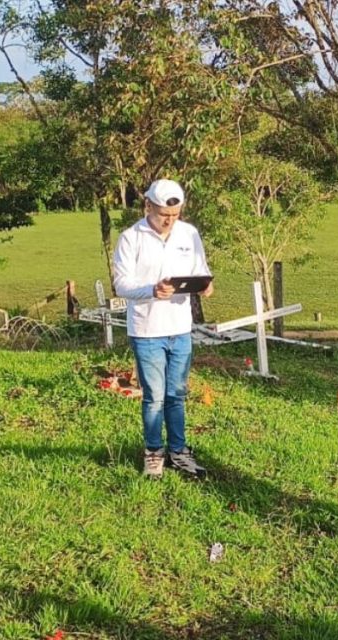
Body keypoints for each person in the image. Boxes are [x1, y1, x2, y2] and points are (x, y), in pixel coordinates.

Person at [113, 179, 213, 479]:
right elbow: (121, 284)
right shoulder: (131, 237)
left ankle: (179, 452)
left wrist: (205, 285)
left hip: (180, 327)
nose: (169, 219)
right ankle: (153, 453)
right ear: (148, 206)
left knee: (177, 394)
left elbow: (200, 270)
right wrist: (150, 290)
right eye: (162, 214)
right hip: (147, 329)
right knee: (154, 396)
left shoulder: (189, 234)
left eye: (175, 214)